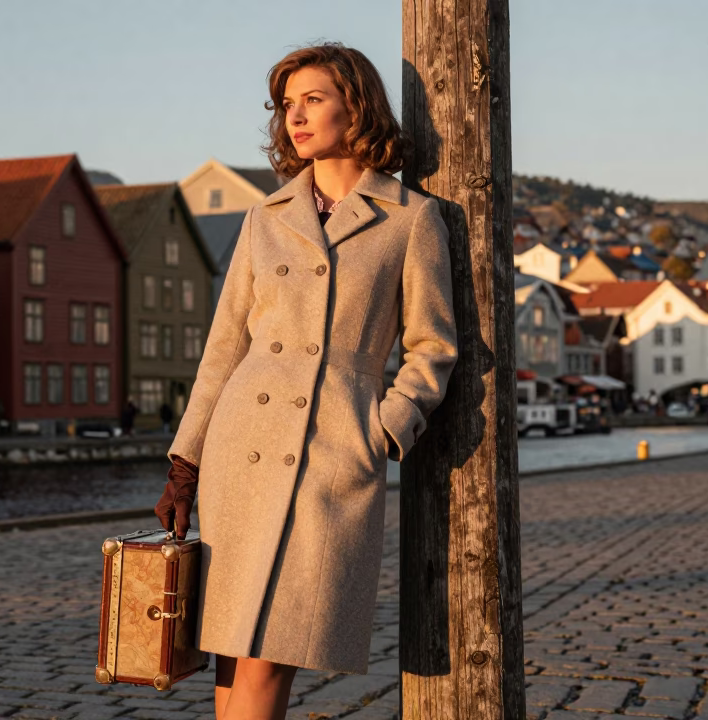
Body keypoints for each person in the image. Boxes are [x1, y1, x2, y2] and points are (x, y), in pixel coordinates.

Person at [153, 43, 457, 720]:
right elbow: (225, 348)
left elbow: (433, 344)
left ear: (357, 106)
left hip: (331, 454)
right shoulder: (264, 218)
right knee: (234, 651)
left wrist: (384, 427)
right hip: (243, 446)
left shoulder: (410, 218)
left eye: (312, 100)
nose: (294, 116)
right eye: (287, 104)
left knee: (272, 648)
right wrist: (186, 461)